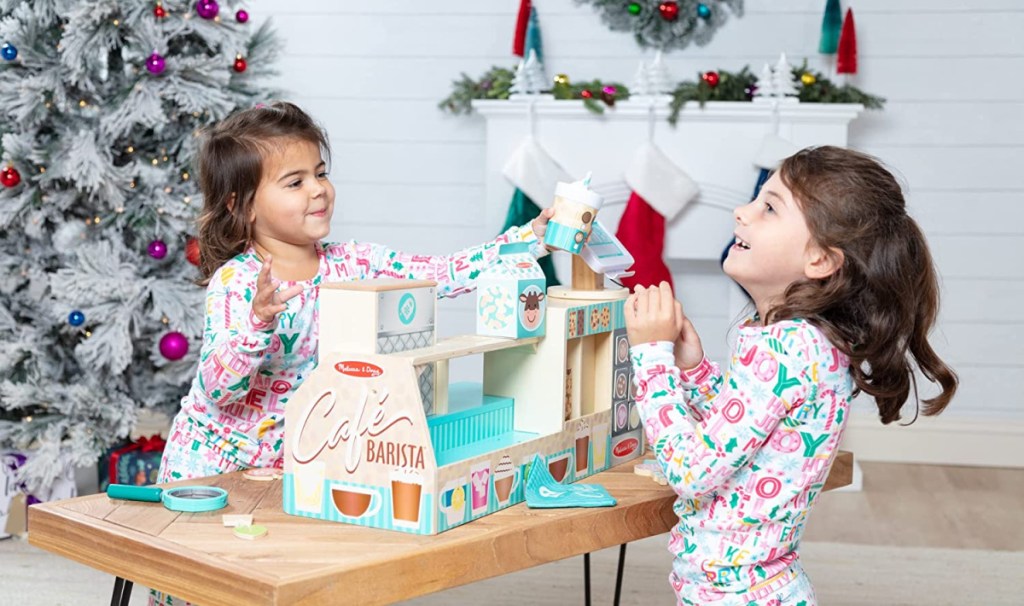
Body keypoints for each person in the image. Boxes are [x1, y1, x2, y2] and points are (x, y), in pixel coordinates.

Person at [623, 146, 958, 605]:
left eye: (769, 207)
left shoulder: (789, 349)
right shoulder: (799, 341)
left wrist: (650, 357)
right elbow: (744, 433)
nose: (742, 212)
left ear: (820, 260)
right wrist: (694, 371)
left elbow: (693, 471)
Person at [157, 101, 555, 484]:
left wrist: (528, 239)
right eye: (295, 182)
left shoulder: (354, 263)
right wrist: (258, 323)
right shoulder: (237, 282)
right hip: (212, 465)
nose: (318, 190)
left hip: (293, 464)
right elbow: (218, 390)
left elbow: (442, 274)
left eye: (321, 173)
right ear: (243, 207)